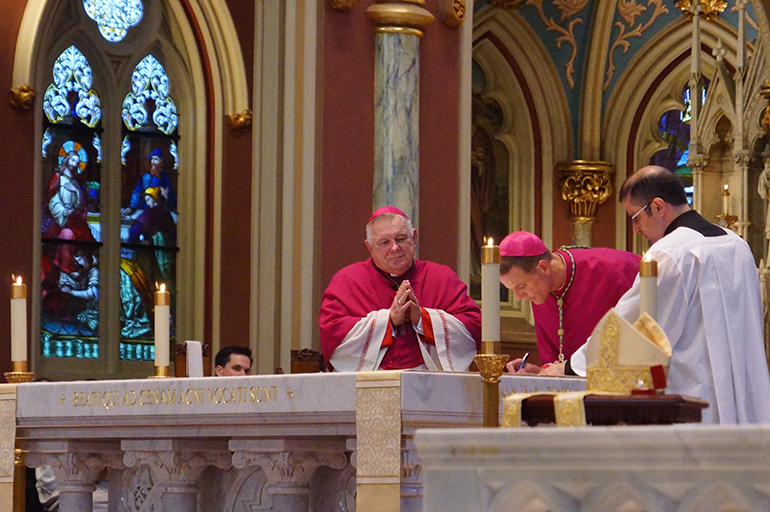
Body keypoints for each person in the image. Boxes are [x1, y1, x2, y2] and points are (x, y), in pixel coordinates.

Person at [545, 165, 770, 425]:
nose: (636, 228)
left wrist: (573, 366)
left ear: (659, 206)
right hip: (746, 395)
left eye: (635, 218)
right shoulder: (737, 244)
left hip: (693, 401)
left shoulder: (669, 253)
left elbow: (631, 326)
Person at [319, 206, 481, 371]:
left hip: (431, 384)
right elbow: (332, 333)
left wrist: (423, 318)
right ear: (370, 248)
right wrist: (388, 320)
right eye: (384, 242)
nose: (395, 247)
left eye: (401, 238)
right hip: (371, 384)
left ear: (414, 238)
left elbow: (473, 326)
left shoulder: (442, 278)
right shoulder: (347, 281)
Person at [498, 230, 640, 368]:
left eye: (521, 286)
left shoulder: (614, 269)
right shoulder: (540, 290)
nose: (518, 297)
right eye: (512, 289)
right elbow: (557, 363)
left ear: (543, 267)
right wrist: (539, 372)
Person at [121, 148, 177, 218]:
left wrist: (166, 197)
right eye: (152, 159)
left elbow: (171, 198)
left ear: (161, 162)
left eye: (156, 159)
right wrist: (131, 207)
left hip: (158, 211)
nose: (153, 162)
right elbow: (137, 191)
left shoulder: (165, 179)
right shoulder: (145, 177)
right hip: (144, 208)